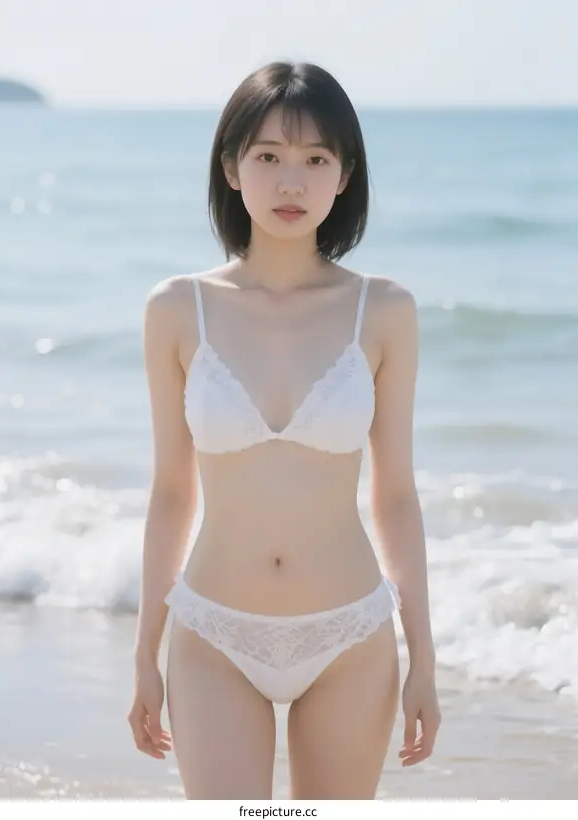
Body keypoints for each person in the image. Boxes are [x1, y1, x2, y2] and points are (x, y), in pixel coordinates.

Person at [128, 60, 441, 799]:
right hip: (213, 636)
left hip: (349, 639)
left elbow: (395, 495)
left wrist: (424, 657)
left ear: (344, 174)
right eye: (268, 156)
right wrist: (144, 651)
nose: (291, 183)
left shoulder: (385, 311)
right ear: (233, 168)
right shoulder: (177, 309)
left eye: (315, 159)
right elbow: (172, 491)